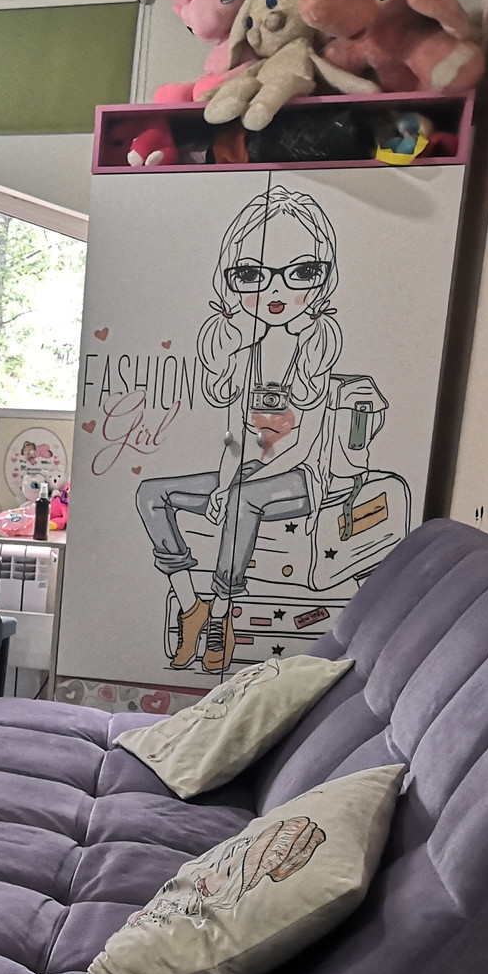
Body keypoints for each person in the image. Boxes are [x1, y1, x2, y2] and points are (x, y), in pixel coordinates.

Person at [135, 186, 342, 672]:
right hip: (247, 472)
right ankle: (191, 605)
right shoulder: (244, 357)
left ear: (321, 279)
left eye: (301, 272)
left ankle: (221, 616)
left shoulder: (316, 349)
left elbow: (304, 444)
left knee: (243, 499)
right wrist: (225, 482)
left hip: (301, 478)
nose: (275, 292)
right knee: (151, 493)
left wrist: (238, 485)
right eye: (252, 275)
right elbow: (234, 440)